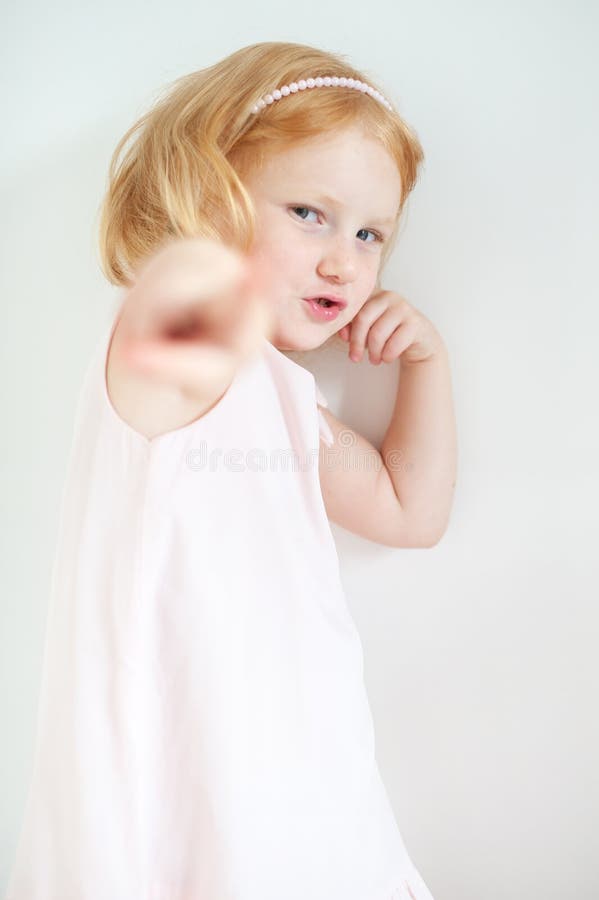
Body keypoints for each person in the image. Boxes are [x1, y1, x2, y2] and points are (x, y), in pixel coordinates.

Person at [5, 41, 457, 900]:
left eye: (370, 235)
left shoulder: (280, 400)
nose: (343, 261)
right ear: (207, 197)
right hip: (188, 787)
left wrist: (426, 366)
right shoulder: (170, 352)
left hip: (300, 783)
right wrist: (212, 240)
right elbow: (186, 282)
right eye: (308, 214)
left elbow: (409, 511)